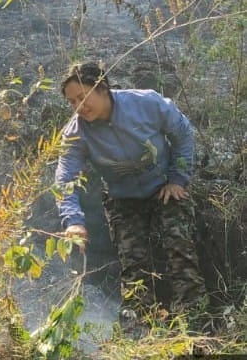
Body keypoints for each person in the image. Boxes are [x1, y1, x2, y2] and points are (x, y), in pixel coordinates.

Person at [55, 61, 205, 330]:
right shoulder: (76, 133)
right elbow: (65, 180)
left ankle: (193, 324)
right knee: (133, 268)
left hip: (164, 189)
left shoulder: (146, 103)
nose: (79, 106)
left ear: (102, 88)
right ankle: (139, 334)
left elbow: (183, 134)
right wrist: (73, 221)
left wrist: (177, 179)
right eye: (72, 101)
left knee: (180, 250)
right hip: (122, 199)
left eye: (83, 97)